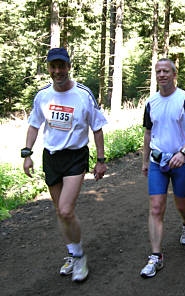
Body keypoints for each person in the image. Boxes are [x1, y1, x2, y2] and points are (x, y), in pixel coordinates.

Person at [22, 47, 107, 282]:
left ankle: (79, 257)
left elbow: (97, 128)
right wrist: (27, 153)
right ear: (49, 68)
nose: (57, 71)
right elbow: (34, 125)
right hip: (51, 157)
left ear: (69, 67)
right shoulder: (43, 96)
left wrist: (100, 160)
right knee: (60, 212)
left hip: (75, 156)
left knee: (66, 209)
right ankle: (71, 253)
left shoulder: (82, 94)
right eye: (53, 66)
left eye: (62, 66)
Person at [140, 58, 185, 278]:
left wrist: (183, 153)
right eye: (158, 71)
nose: (162, 75)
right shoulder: (151, 102)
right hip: (157, 161)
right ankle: (156, 256)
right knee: (156, 207)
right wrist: (145, 161)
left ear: (174, 74)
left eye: (166, 71)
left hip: (181, 162)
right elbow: (148, 132)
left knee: (181, 203)